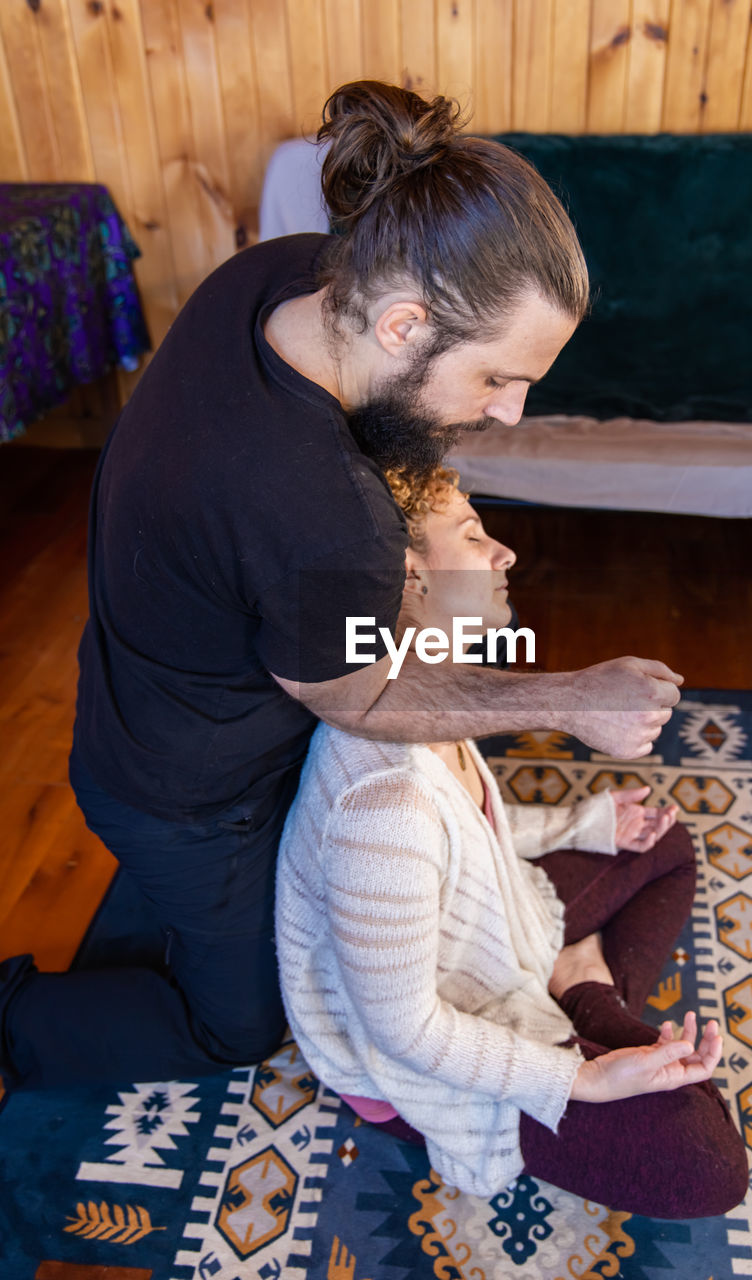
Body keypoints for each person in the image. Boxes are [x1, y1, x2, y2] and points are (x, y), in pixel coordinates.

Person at [0, 81, 683, 1091]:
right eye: (496, 377)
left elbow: (367, 514)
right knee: (235, 1025)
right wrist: (569, 694)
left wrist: (451, 582)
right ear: (406, 324)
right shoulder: (321, 521)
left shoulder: (281, 278)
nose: (507, 412)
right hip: (183, 794)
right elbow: (365, 696)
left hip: (150, 673)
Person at [276, 467, 748, 1218]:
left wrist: (584, 827)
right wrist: (580, 1081)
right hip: (412, 1061)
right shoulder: (382, 805)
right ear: (408, 579)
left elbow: (474, 840)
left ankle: (577, 981)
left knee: (661, 845)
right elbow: (403, 1032)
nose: (506, 555)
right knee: (707, 1168)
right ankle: (589, 995)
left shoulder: (426, 694)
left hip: (501, 934)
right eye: (473, 537)